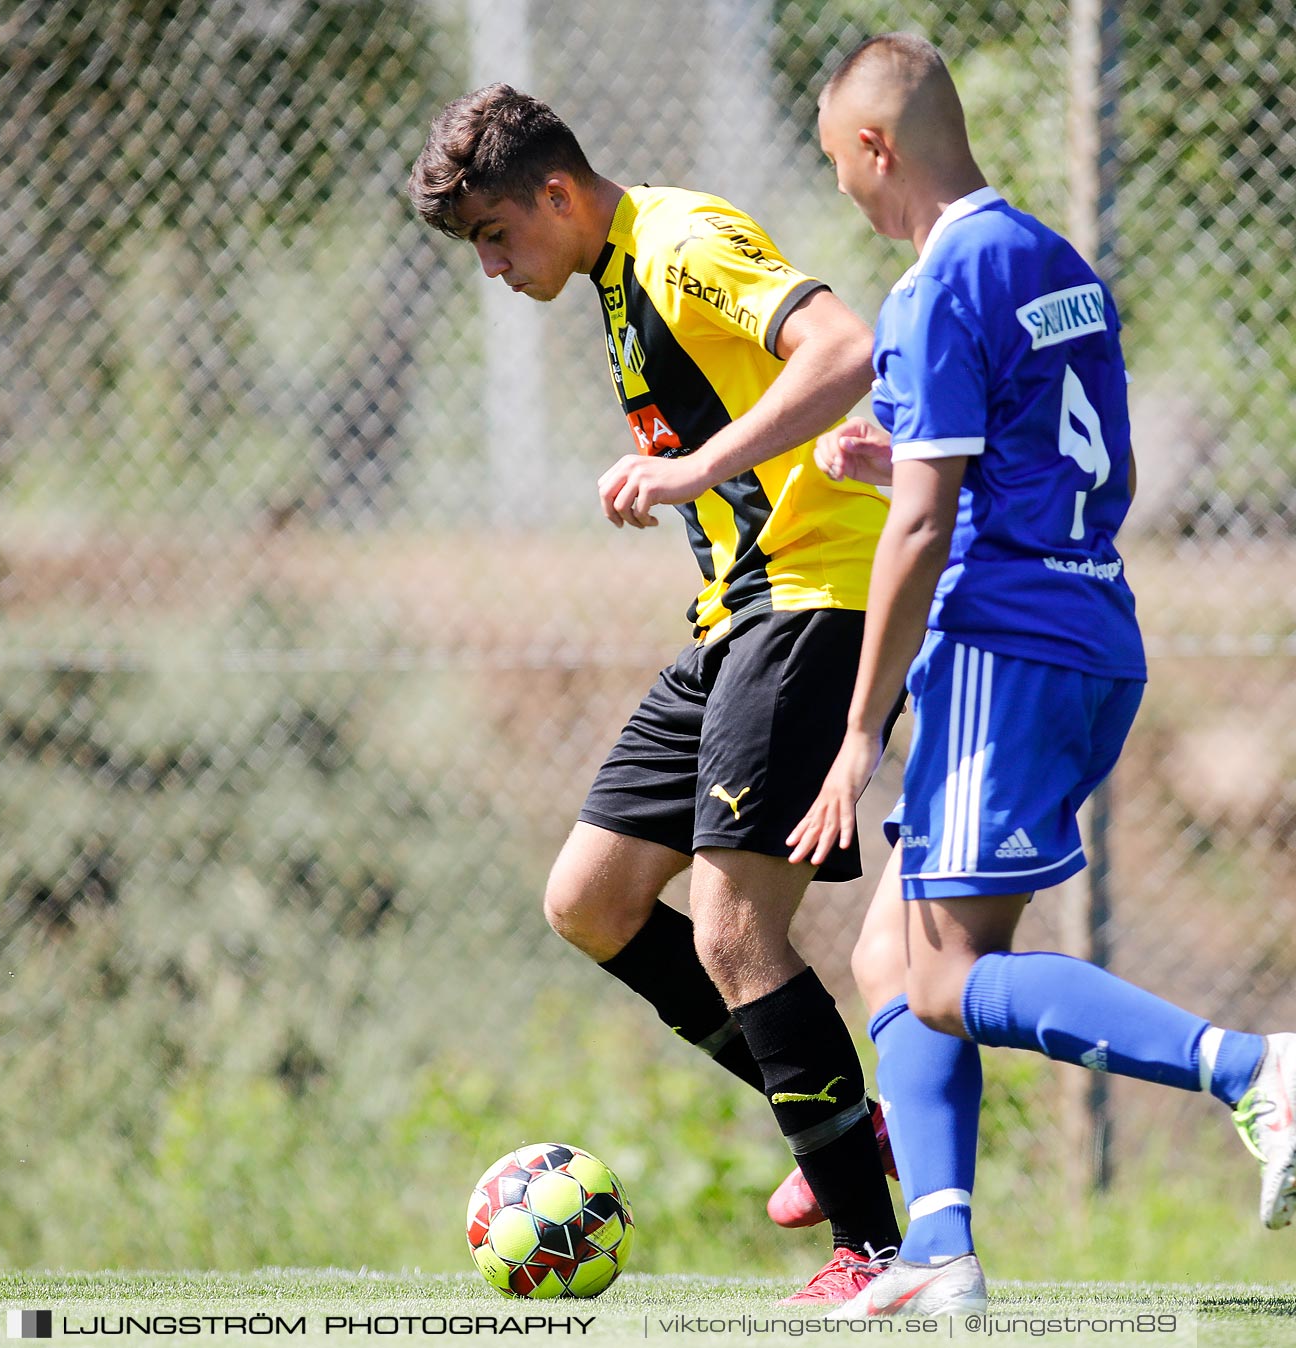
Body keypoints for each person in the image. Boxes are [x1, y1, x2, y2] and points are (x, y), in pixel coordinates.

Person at [785, 35, 1296, 1317]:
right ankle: (941, 1255)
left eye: (838, 166)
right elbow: (1076, 461)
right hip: (1094, 630)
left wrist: (861, 730)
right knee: (892, 953)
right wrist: (914, 461)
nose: (845, 196)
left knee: (937, 978)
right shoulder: (1053, 261)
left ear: (877, 147)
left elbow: (922, 538)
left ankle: (1247, 1065)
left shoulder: (932, 289)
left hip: (1002, 646)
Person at [407, 85, 906, 1302]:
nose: (491, 265)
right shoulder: (615, 277)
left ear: (559, 194)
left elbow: (845, 350)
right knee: (590, 899)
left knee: (738, 933)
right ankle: (846, 1115)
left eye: (495, 236)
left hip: (813, 604)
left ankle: (876, 1246)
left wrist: (696, 473)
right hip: (733, 619)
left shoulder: (679, 244)